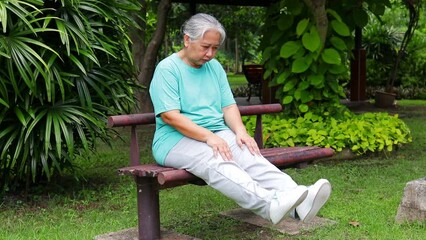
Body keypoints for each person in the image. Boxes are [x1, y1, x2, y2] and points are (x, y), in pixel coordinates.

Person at [149, 13, 331, 225]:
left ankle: (300, 200)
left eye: (215, 48)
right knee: (216, 159)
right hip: (174, 141)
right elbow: (171, 117)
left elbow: (228, 106)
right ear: (187, 39)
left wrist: (241, 132)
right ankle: (269, 205)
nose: (210, 54)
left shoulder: (215, 68)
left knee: (249, 154)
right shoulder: (167, 69)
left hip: (215, 134)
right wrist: (210, 137)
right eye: (205, 46)